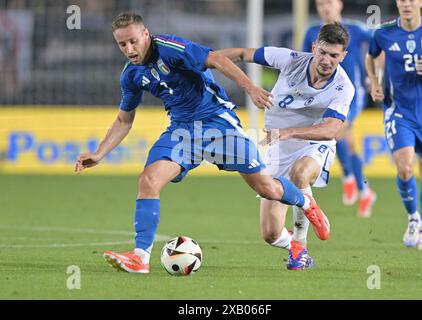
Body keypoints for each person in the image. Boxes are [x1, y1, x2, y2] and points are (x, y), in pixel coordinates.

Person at [74, 12, 330, 274]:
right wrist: (100, 153)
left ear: (145, 34)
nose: (129, 49)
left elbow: (217, 58)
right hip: (182, 131)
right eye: (122, 44)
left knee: (268, 188)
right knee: (148, 181)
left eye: (132, 41)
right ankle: (140, 257)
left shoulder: (171, 48)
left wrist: (250, 88)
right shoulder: (131, 75)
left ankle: (306, 203)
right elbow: (124, 120)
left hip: (217, 123)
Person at [219, 22, 354, 269]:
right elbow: (241, 54)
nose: (327, 60)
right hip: (278, 146)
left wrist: (290, 132)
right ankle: (294, 240)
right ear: (314, 47)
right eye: (323, 52)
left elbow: (332, 130)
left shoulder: (344, 87)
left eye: (334, 55)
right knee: (270, 233)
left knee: (300, 173)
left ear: (343, 56)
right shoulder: (290, 60)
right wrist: (211, 60)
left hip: (312, 144)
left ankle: (301, 250)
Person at [366, 0, 422, 251]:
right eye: (402, 0)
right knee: (404, 168)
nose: (407, 4)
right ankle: (412, 219)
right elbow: (370, 57)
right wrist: (373, 82)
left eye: (412, 0)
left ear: (421, 2)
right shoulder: (383, 32)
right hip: (398, 111)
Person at [302, 0, 377, 217]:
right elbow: (304, 60)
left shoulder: (357, 29)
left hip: (353, 94)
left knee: (337, 132)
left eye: (329, 2)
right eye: (320, 4)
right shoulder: (311, 32)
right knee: (347, 142)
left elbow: (378, 50)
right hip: (325, 96)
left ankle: (348, 177)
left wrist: (374, 77)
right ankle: (364, 191)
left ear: (340, 5)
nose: (325, 7)